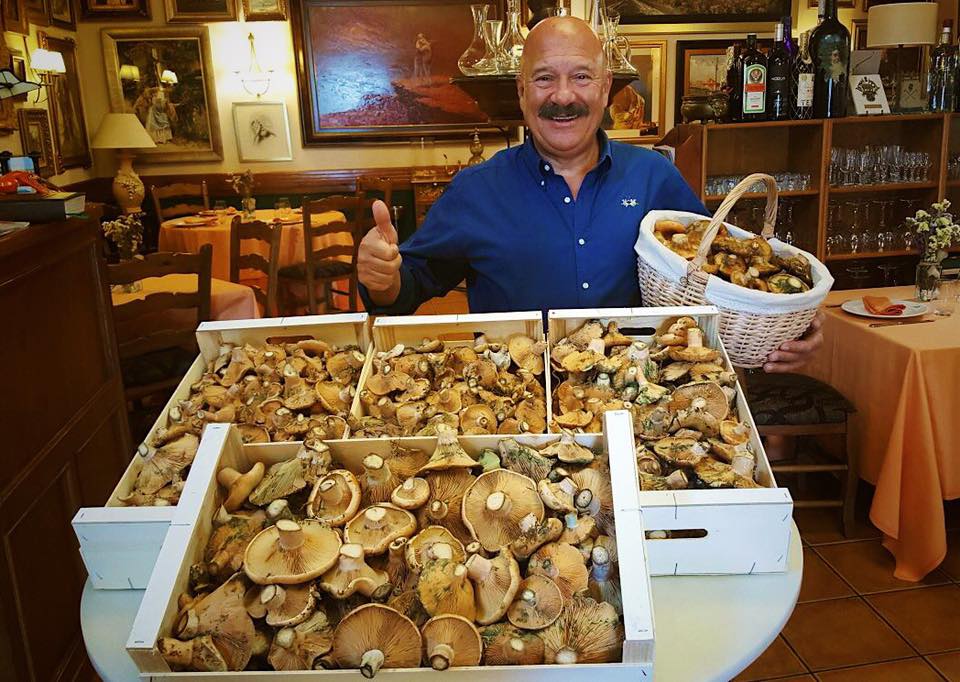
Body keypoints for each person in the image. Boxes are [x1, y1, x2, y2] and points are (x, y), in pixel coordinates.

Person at [358, 16, 821, 373]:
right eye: (543, 79)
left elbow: (720, 276)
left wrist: (788, 321)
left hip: (641, 402)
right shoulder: (475, 190)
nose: (563, 96)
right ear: (522, 93)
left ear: (605, 89)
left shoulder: (654, 178)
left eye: (581, 77)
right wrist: (383, 278)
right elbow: (409, 286)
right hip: (514, 410)